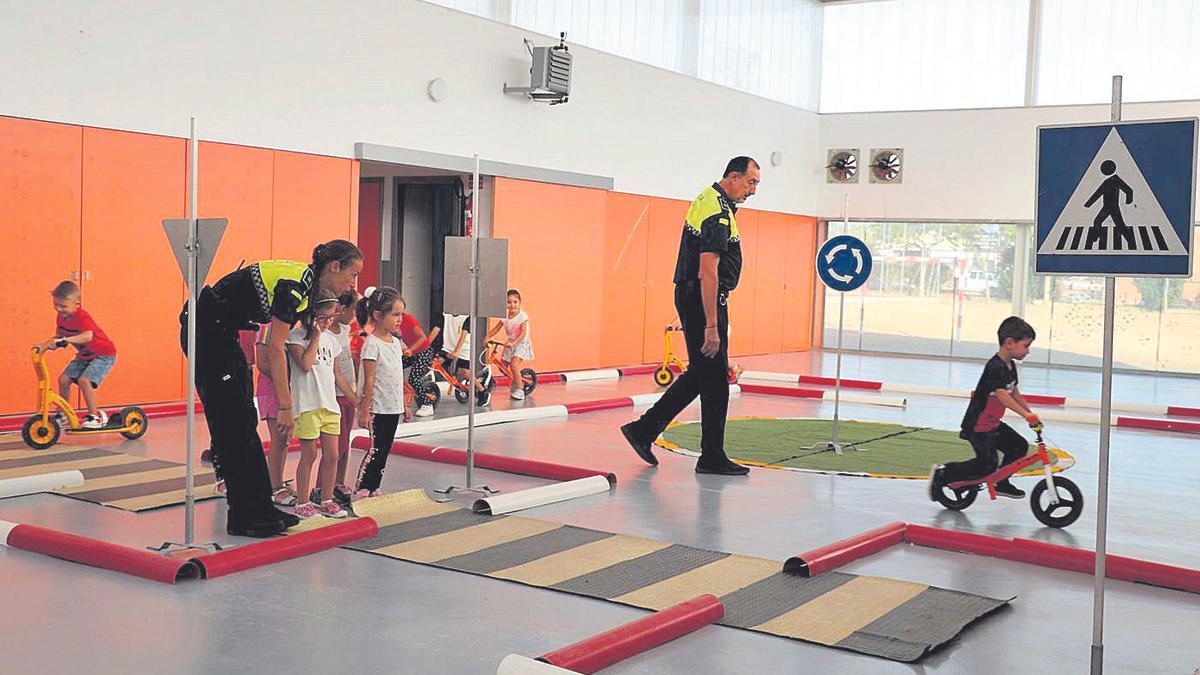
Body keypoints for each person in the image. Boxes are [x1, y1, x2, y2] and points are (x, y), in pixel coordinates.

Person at [180, 240, 362, 537]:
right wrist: (286, 407)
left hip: (223, 331)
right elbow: (276, 348)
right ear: (334, 267)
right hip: (205, 330)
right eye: (352, 274)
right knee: (233, 425)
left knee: (246, 422)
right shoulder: (296, 284)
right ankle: (242, 515)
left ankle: (261, 505)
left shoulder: (306, 292)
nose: (353, 282)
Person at [619, 157, 760, 476]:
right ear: (734, 177)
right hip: (703, 298)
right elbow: (707, 272)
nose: (753, 191)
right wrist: (710, 324)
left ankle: (649, 432)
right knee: (712, 377)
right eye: (751, 183)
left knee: (705, 374)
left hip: (695, 298)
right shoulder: (716, 212)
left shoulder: (711, 200)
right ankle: (699, 451)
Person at [929, 316, 1040, 500]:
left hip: (992, 424)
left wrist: (1030, 413)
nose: (1028, 351)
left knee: (1018, 446)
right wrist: (1025, 416)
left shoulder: (1010, 365)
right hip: (977, 426)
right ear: (1010, 343)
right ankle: (944, 473)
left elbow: (1014, 392)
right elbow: (1003, 396)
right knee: (987, 464)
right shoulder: (994, 366)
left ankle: (1002, 483)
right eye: (1026, 346)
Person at [286, 290, 350, 519]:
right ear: (310, 316)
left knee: (332, 455)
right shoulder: (295, 337)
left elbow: (337, 375)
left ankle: (327, 498)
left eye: (330, 317)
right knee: (309, 454)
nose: (327, 322)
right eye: (322, 318)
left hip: (329, 405)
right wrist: (315, 335)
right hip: (307, 405)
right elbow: (304, 365)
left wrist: (354, 398)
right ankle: (303, 501)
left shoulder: (332, 340)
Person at [35, 281, 118, 429]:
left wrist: (66, 340)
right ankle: (64, 415)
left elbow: (87, 336)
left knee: (84, 381)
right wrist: (44, 345)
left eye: (63, 306)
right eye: (56, 305)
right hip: (85, 355)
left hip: (103, 354)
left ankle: (95, 417)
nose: (59, 309)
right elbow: (59, 335)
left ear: (77, 303)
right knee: (64, 380)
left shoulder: (83, 317)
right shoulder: (62, 317)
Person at [355, 286, 407, 498]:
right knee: (376, 450)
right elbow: (369, 380)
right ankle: (362, 487)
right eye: (395, 315)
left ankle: (375, 487)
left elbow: (396, 376)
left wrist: (403, 403)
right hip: (378, 407)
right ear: (378, 315)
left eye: (401, 314)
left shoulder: (395, 343)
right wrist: (365, 411)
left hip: (393, 406)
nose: (400, 319)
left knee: (385, 450)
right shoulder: (372, 344)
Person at [318, 290, 360, 506]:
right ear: (342, 310)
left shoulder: (344, 328)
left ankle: (339, 482)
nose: (355, 316)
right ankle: (321, 486)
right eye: (352, 310)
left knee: (345, 444)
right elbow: (335, 373)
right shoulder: (326, 335)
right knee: (334, 446)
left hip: (347, 392)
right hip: (335, 395)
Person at [487, 289, 534, 400]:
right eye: (509, 302)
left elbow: (522, 333)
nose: (512, 305)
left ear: (519, 302)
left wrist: (514, 343)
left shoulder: (522, 316)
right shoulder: (505, 316)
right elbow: (495, 329)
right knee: (503, 367)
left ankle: (520, 389)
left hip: (521, 342)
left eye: (515, 302)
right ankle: (516, 379)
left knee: (514, 364)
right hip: (510, 342)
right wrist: (487, 337)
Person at [396, 302, 441, 418]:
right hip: (412, 352)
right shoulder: (392, 322)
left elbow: (423, 338)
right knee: (394, 368)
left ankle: (427, 404)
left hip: (423, 351)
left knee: (413, 378)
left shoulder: (408, 319)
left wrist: (410, 349)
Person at [439, 311, 492, 407]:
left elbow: (464, 334)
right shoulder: (446, 314)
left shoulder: (466, 317)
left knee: (465, 373)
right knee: (436, 363)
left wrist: (457, 351)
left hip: (463, 348)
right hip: (448, 347)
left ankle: (483, 391)